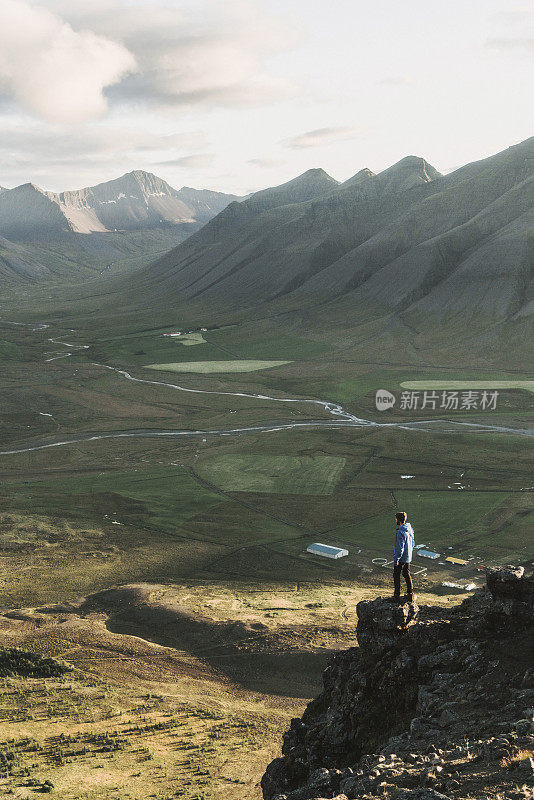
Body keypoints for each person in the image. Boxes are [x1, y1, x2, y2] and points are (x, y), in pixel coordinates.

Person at [392, 511, 415, 603]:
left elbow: (399, 547)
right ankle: (410, 593)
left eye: (396, 518)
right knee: (406, 574)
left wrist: (396, 559)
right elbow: (413, 542)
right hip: (408, 556)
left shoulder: (400, 532)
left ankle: (396, 596)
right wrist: (409, 553)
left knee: (396, 575)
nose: (395, 520)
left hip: (401, 558)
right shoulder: (409, 529)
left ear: (398, 519)